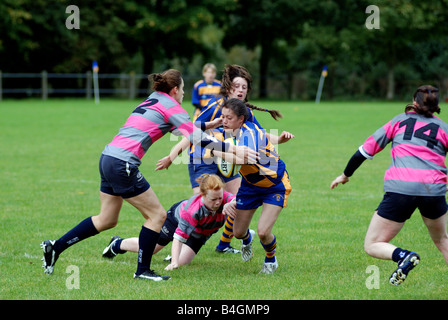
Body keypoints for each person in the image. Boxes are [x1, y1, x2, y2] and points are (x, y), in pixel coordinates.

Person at [40, 69, 257, 282]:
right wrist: (233, 151)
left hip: (107, 158)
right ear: (174, 90)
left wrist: (209, 124)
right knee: (158, 216)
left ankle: (55, 247)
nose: (183, 94)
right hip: (123, 164)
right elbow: (197, 137)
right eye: (182, 90)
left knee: (106, 219)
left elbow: (179, 128)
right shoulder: (173, 106)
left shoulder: (153, 99)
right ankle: (142, 270)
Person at [156, 65, 292, 254]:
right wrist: (172, 155)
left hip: (230, 158)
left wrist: (279, 139)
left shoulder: (245, 113)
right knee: (203, 204)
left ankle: (225, 244)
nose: (240, 91)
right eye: (237, 86)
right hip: (202, 159)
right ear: (228, 88)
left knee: (236, 201)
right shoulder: (216, 107)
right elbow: (192, 131)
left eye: (244, 88)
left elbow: (260, 135)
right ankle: (177, 247)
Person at [330, 85, 448, 286]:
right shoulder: (444, 128)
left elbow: (363, 152)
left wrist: (345, 175)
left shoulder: (399, 121)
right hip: (433, 190)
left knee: (373, 243)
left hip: (400, 188)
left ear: (414, 102)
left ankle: (404, 256)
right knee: (442, 240)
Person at [212, 98, 293, 274]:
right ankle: (248, 239)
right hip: (250, 186)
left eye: (229, 118)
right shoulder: (224, 132)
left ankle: (271, 259)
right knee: (238, 233)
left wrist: (215, 150)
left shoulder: (251, 133)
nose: (224, 121)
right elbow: (196, 137)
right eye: (222, 117)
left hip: (274, 185)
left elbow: (243, 159)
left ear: (241, 119)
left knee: (264, 232)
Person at [102, 174, 248, 270]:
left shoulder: (223, 198)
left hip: (199, 233)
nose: (218, 202)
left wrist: (231, 202)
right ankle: (117, 243)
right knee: (152, 249)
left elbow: (239, 199)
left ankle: (174, 256)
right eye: (213, 199)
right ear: (203, 195)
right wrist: (174, 263)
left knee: (184, 262)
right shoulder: (192, 211)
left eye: (220, 198)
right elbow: (178, 237)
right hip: (175, 221)